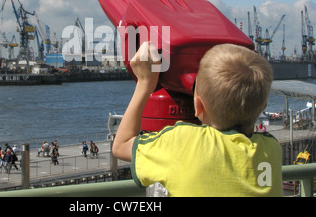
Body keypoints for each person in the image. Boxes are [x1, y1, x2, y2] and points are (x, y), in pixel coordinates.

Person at [112, 42, 283, 197]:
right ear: (264, 105)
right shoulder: (270, 148)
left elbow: (121, 146)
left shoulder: (181, 142)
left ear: (198, 106)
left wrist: (145, 83)